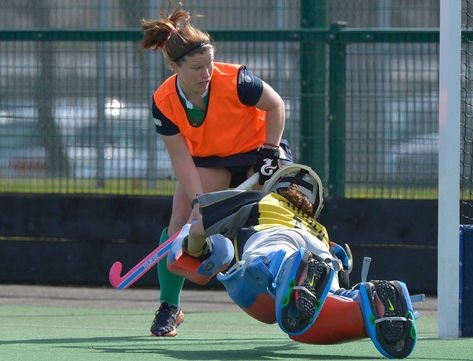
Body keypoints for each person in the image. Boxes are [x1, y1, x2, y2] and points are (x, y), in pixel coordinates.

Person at [139, 1, 291, 337]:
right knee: (181, 223)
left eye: (209, 64)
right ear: (174, 66)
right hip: (212, 161)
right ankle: (169, 307)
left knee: (276, 222)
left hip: (258, 157)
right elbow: (182, 159)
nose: (207, 74)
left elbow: (276, 105)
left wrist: (271, 149)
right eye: (197, 68)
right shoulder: (164, 102)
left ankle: (307, 289)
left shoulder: (236, 79)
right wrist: (199, 202)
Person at [167, 164, 421, 359]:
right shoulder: (320, 229)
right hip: (321, 251)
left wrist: (194, 248)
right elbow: (342, 274)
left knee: (273, 266)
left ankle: (299, 275)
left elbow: (199, 226)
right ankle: (374, 301)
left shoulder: (258, 199)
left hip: (275, 242)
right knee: (331, 295)